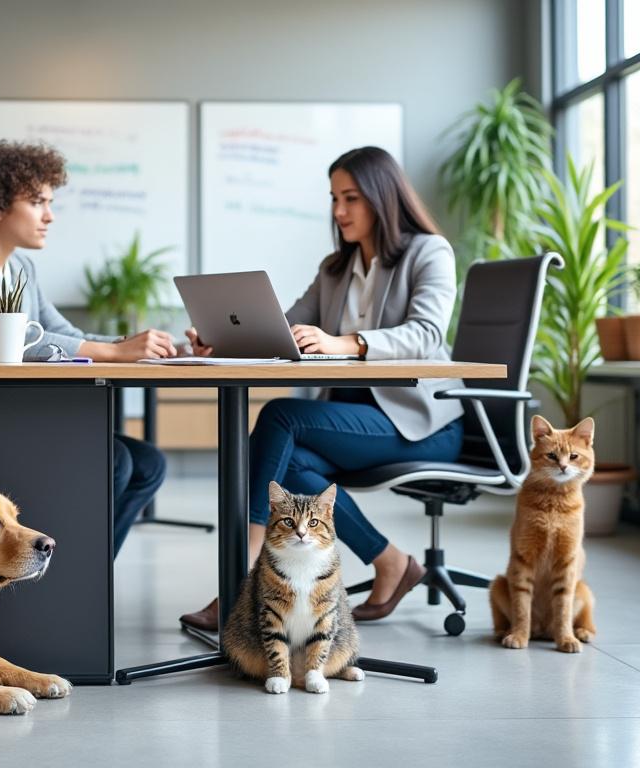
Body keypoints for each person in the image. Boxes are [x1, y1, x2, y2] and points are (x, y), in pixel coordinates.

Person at [179, 146, 465, 631]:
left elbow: (427, 333)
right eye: (334, 198)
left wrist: (344, 343)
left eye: (351, 198)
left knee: (281, 418)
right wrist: (222, 340)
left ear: (383, 198)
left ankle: (243, 578)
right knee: (291, 465)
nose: (338, 211)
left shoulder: (429, 252)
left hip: (422, 420)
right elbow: (285, 327)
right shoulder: (337, 269)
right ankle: (391, 561)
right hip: (359, 418)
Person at [0, 141, 174, 556]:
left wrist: (132, 346)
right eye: (36, 202)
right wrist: (115, 354)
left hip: (13, 405)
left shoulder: (21, 268)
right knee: (115, 460)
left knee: (148, 464)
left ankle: (90, 572)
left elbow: (61, 331)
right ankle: (77, 575)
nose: (49, 215)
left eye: (49, 202)